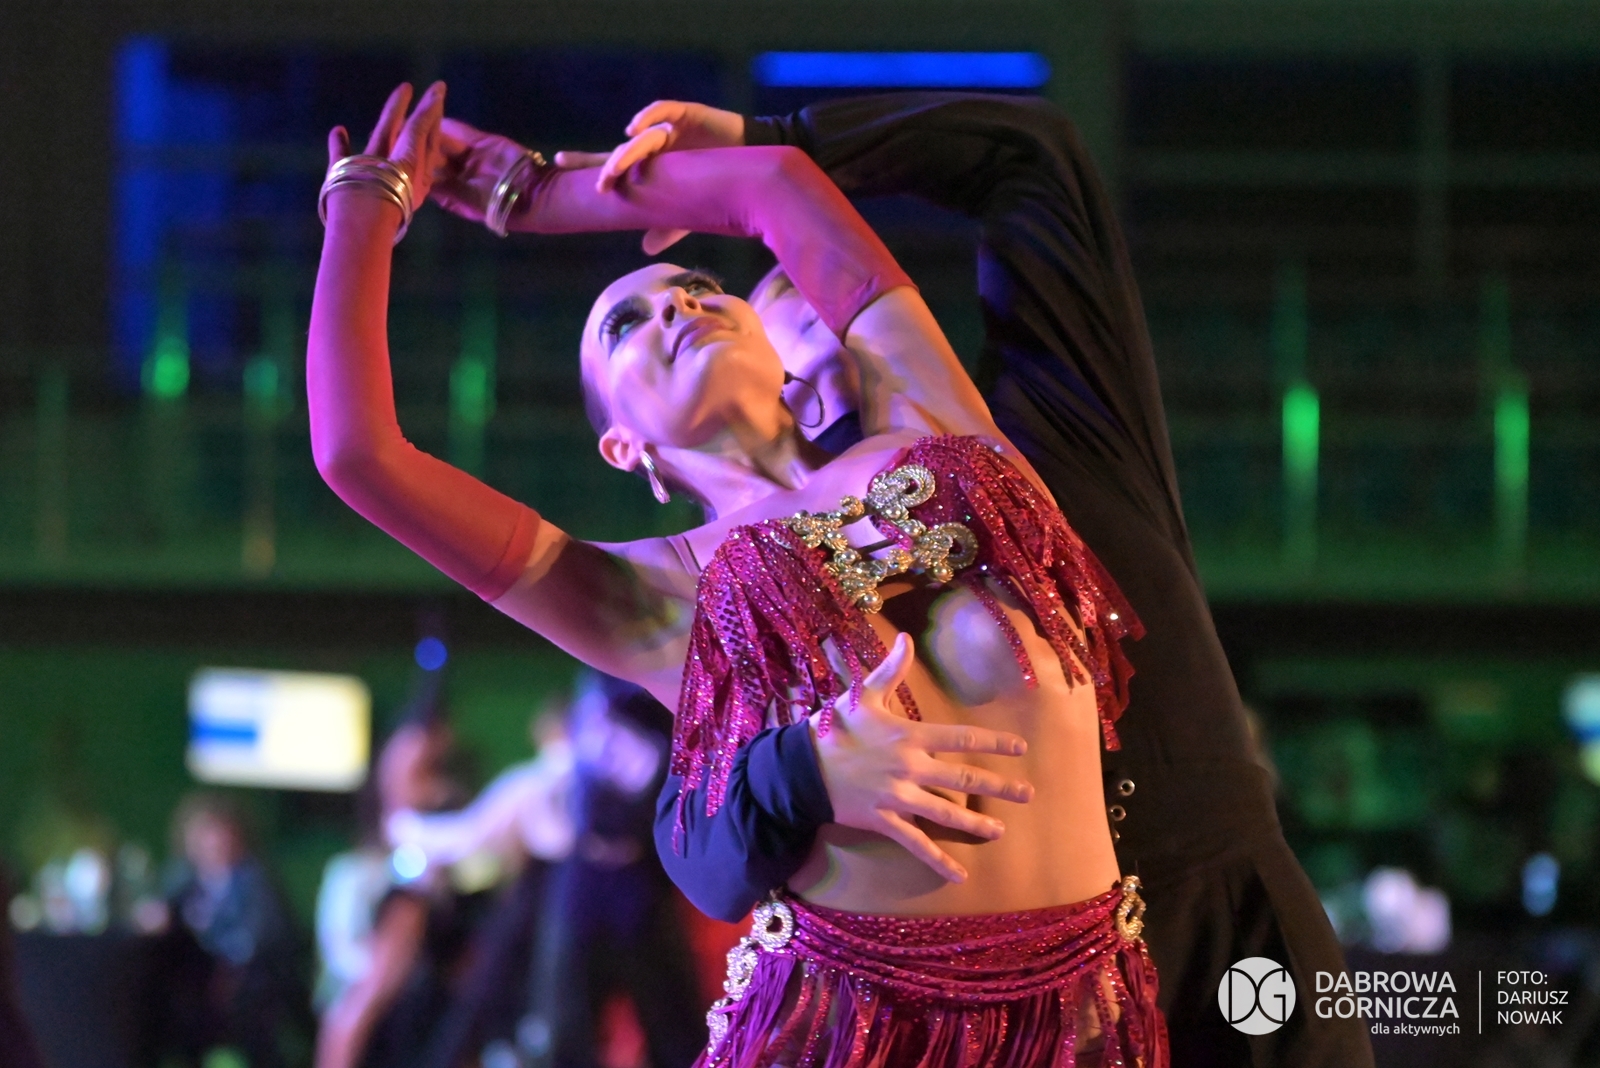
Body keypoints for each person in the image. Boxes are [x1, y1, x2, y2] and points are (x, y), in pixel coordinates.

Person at [310, 81, 1165, 1067]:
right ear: (624, 447)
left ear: (769, 340)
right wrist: (366, 199)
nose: (676, 306)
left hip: (1086, 1019)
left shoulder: (929, 414)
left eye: (700, 287)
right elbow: (359, 455)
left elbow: (776, 184)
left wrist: (537, 193)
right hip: (855, 1033)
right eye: (625, 327)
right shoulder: (649, 594)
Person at [550, 95, 1371, 1067]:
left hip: (1224, 916)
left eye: (827, 307)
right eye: (785, 332)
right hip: (1011, 1005)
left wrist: (767, 144)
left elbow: (1034, 156)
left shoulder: (1046, 425)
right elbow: (698, 842)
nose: (822, 345)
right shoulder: (771, 590)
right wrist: (797, 774)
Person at [163, 793, 308, 1068]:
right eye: (205, 833)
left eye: (219, 832)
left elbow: (265, 938)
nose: (213, 842)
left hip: (249, 986)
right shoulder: (182, 881)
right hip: (195, 984)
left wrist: (226, 967)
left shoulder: (255, 881)